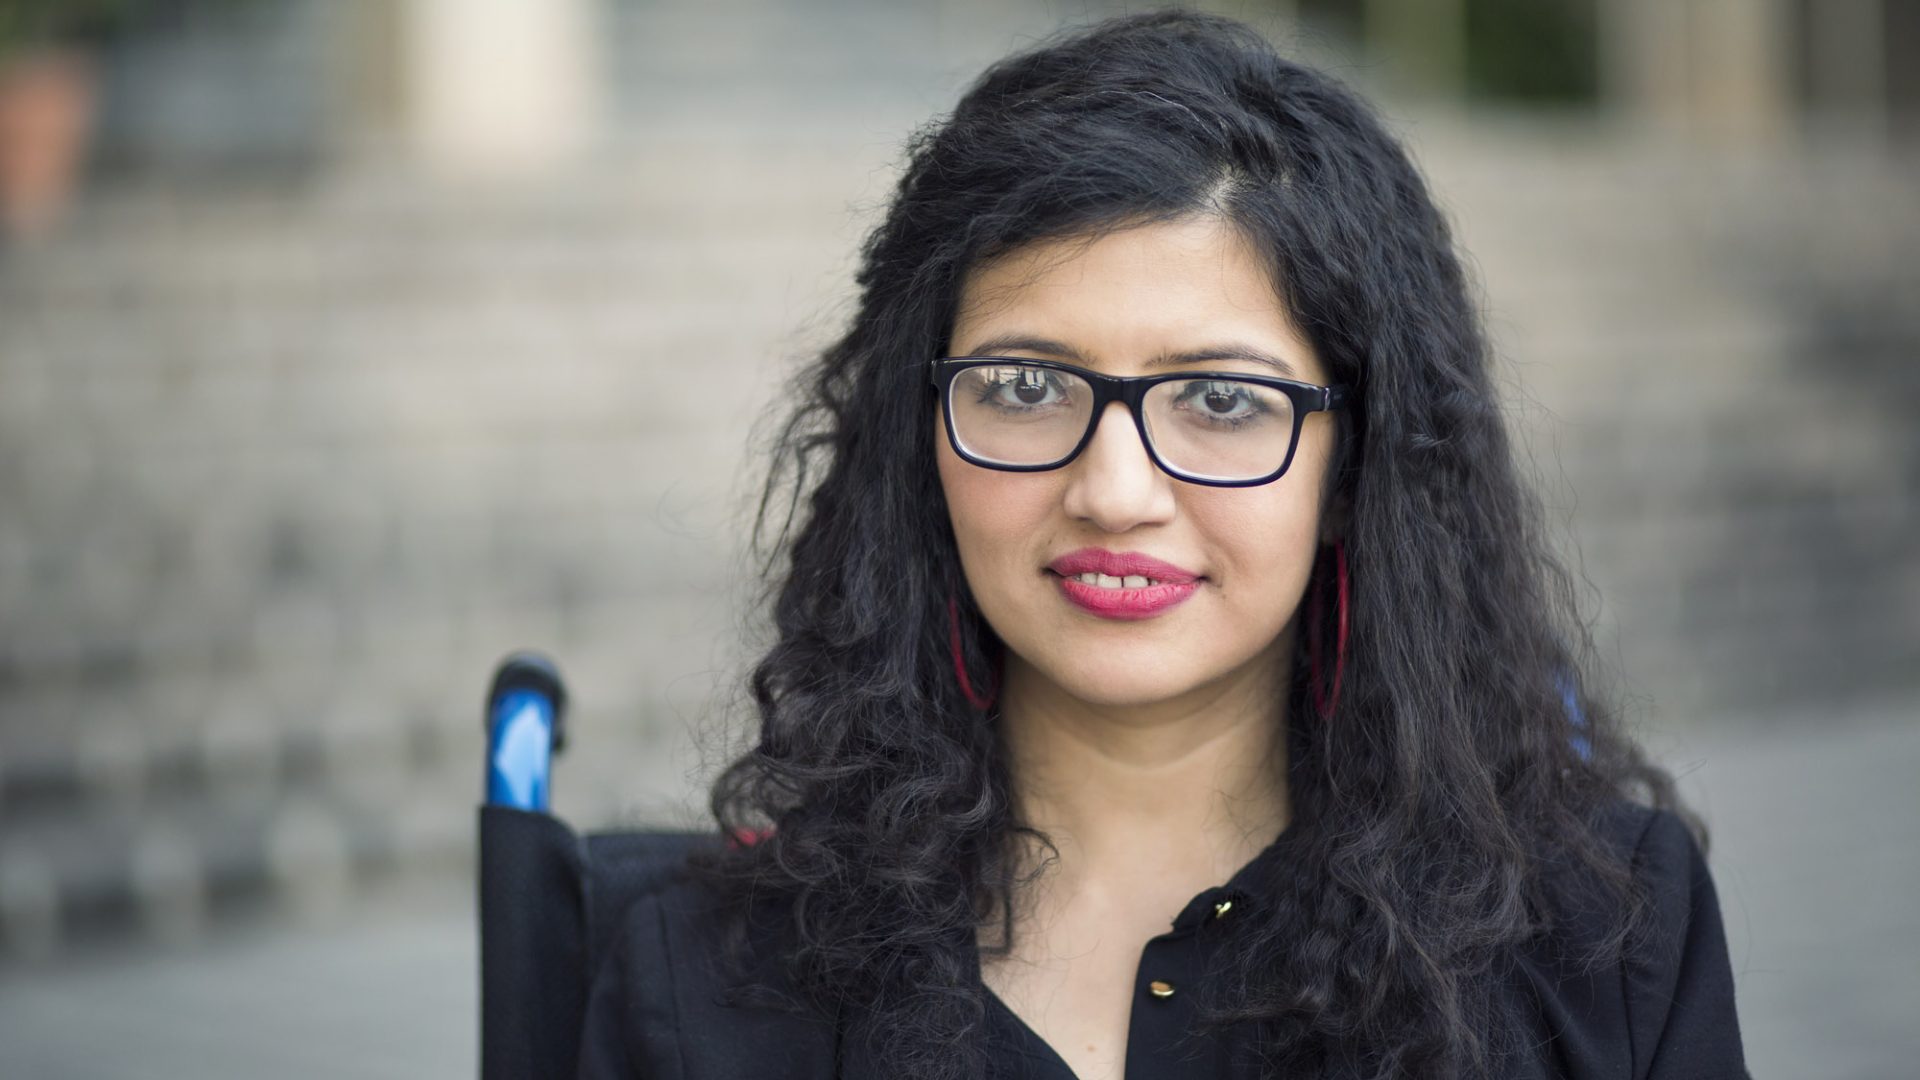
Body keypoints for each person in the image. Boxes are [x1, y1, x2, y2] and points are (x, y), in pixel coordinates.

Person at [576, 11, 1748, 1079]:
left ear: (1357, 467)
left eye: (1224, 403)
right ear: (915, 442)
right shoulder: (698, 981)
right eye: (1026, 385)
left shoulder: (1607, 940)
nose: (1115, 490)